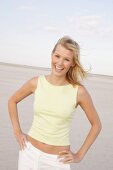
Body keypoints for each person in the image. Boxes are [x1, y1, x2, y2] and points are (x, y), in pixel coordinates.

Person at [8, 36, 101, 170]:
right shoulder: (36, 82)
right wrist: (17, 132)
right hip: (28, 153)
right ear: (52, 55)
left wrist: (79, 155)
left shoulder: (79, 91)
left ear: (73, 63)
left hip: (57, 160)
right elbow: (12, 100)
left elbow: (96, 125)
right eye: (57, 56)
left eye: (67, 59)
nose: (60, 63)